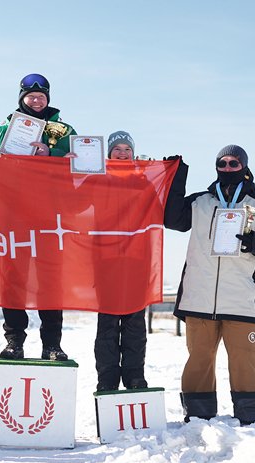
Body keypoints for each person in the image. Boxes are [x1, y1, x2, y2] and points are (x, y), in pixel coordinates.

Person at [164, 145, 255, 425]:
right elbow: (171, 219)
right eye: (223, 163)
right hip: (199, 297)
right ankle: (198, 416)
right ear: (217, 167)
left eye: (234, 163)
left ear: (244, 166)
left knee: (244, 359)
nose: (228, 168)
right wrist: (176, 175)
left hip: (240, 299)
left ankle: (248, 417)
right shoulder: (200, 202)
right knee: (199, 360)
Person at [0, 73, 77, 361]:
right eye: (31, 96)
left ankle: (52, 345)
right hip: (11, 216)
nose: (36, 100)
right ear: (22, 98)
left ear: (48, 99)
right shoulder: (1, 130)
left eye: (41, 96)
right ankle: (14, 341)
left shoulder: (65, 130)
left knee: (50, 282)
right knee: (13, 280)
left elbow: (83, 164)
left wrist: (52, 153)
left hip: (50, 217)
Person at [93, 131, 148, 391]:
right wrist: (70, 166)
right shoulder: (98, 180)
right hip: (106, 261)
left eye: (128, 149)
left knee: (135, 324)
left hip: (137, 261)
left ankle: (135, 375)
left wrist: (173, 170)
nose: (123, 153)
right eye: (117, 149)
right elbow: (75, 199)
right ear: (109, 154)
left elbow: (161, 207)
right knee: (108, 325)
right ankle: (107, 378)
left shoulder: (143, 181)